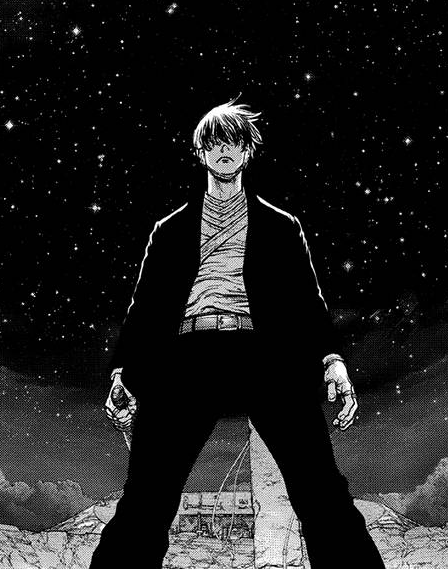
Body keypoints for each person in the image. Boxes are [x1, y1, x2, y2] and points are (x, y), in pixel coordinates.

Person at [90, 100, 385, 567]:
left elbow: (308, 303)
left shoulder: (282, 226)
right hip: (185, 359)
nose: (223, 149)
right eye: (213, 141)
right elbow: (143, 309)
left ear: (248, 151)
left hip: (265, 357)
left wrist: (333, 361)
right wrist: (122, 372)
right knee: (146, 497)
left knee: (321, 491)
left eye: (234, 141)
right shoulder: (168, 230)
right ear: (200, 152)